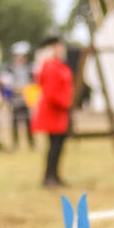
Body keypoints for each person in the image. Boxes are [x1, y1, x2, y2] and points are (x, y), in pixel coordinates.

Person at [32, 34, 74, 187]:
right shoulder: (50, 66)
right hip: (54, 111)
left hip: (60, 112)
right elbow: (51, 92)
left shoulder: (59, 65)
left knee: (59, 145)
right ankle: (49, 176)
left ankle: (55, 175)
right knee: (54, 145)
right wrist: (65, 103)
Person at [6, 41, 35, 148]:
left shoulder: (29, 68)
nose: (22, 58)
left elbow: (33, 82)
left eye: (24, 56)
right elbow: (6, 83)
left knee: (28, 121)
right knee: (14, 121)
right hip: (15, 99)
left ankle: (31, 143)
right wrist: (14, 89)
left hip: (26, 99)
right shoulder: (9, 68)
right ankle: (15, 144)